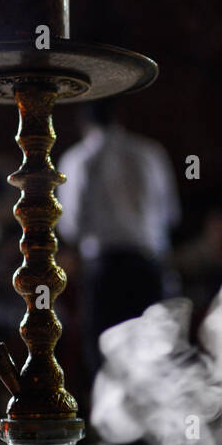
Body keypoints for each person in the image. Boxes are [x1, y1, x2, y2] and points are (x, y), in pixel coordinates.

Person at [57, 100, 181, 401]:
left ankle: (116, 438)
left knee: (106, 348)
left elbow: (71, 224)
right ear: (119, 115)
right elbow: (170, 214)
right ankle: (151, 435)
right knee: (149, 347)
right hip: (148, 263)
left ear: (82, 122)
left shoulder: (78, 159)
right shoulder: (151, 153)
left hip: (105, 267)